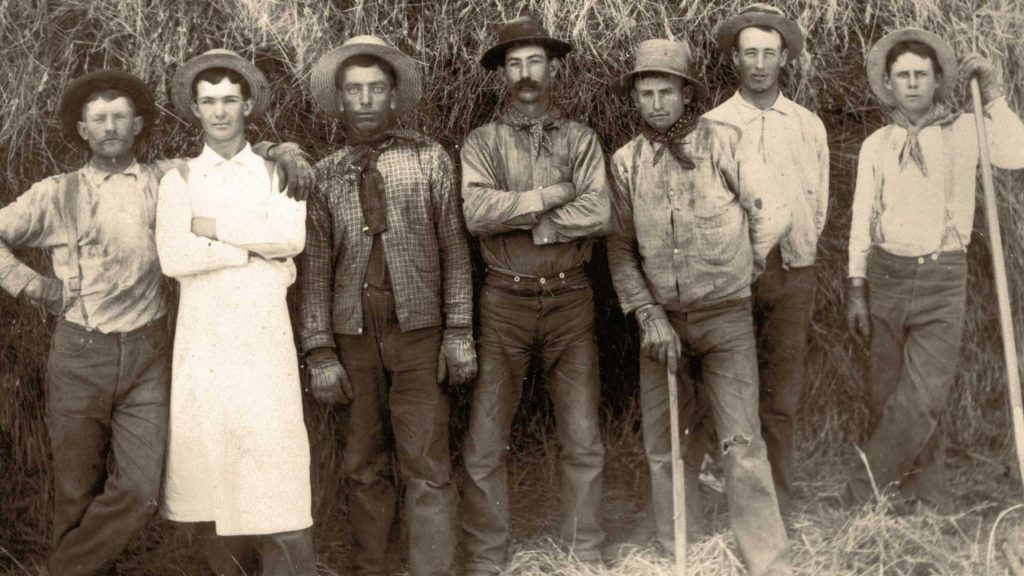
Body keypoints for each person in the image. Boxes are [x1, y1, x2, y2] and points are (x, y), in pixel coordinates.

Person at [0, 68, 310, 576]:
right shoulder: (57, 193)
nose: (111, 128)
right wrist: (36, 287)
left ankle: (61, 570)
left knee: (141, 490)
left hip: (148, 354)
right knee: (76, 488)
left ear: (139, 124)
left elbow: (227, 146)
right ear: (82, 130)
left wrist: (282, 149)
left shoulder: (165, 178)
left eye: (121, 117)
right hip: (81, 351)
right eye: (98, 119)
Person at [606, 39, 792, 575]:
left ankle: (768, 560)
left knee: (742, 442)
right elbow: (618, 248)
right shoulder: (626, 162)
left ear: (687, 93)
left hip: (726, 317)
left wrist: (747, 268)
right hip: (660, 323)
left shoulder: (724, 143)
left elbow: (771, 213)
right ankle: (676, 549)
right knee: (665, 445)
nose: (657, 102)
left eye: (667, 90)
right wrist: (648, 315)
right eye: (647, 92)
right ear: (635, 98)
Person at [299, 36, 475, 576]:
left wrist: (459, 331)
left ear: (395, 98)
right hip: (354, 333)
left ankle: (432, 569)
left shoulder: (429, 159)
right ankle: (372, 566)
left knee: (427, 461)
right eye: (355, 90)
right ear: (341, 99)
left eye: (377, 88)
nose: (367, 99)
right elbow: (316, 269)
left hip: (418, 329)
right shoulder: (324, 174)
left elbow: (454, 247)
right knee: (362, 463)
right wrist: (320, 351)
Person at [844, 29, 1024, 512]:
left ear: (938, 79)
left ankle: (863, 490)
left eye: (921, 75)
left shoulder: (965, 131)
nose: (912, 84)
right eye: (902, 75)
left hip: (943, 276)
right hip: (885, 276)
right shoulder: (877, 145)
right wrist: (856, 286)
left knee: (921, 397)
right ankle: (926, 493)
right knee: (888, 392)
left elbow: (1017, 153)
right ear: (888, 82)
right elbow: (861, 219)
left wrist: (995, 95)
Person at [459, 16, 611, 574]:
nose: (526, 74)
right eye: (515, 63)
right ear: (502, 73)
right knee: (484, 445)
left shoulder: (581, 139)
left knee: (582, 437)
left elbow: (600, 210)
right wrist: (554, 192)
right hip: (505, 303)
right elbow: (477, 213)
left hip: (571, 300)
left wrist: (540, 225)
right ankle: (485, 557)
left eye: (535, 62)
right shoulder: (482, 142)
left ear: (553, 68)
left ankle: (584, 552)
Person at [155, 48, 315, 575]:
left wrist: (215, 229)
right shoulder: (179, 178)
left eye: (229, 100)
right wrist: (249, 251)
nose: (219, 111)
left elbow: (289, 237)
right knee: (214, 456)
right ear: (195, 109)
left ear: (247, 104)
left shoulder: (277, 172)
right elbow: (175, 258)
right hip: (205, 340)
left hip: (264, 335)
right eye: (208, 101)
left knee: (273, 450)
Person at [705, 3, 829, 515]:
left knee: (781, 395)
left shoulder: (807, 125)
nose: (759, 63)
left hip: (793, 275)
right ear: (734, 59)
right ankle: (732, 503)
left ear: (784, 60)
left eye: (769, 54)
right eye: (749, 53)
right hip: (732, 281)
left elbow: (818, 202)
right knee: (731, 392)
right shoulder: (712, 125)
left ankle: (777, 504)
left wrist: (794, 253)